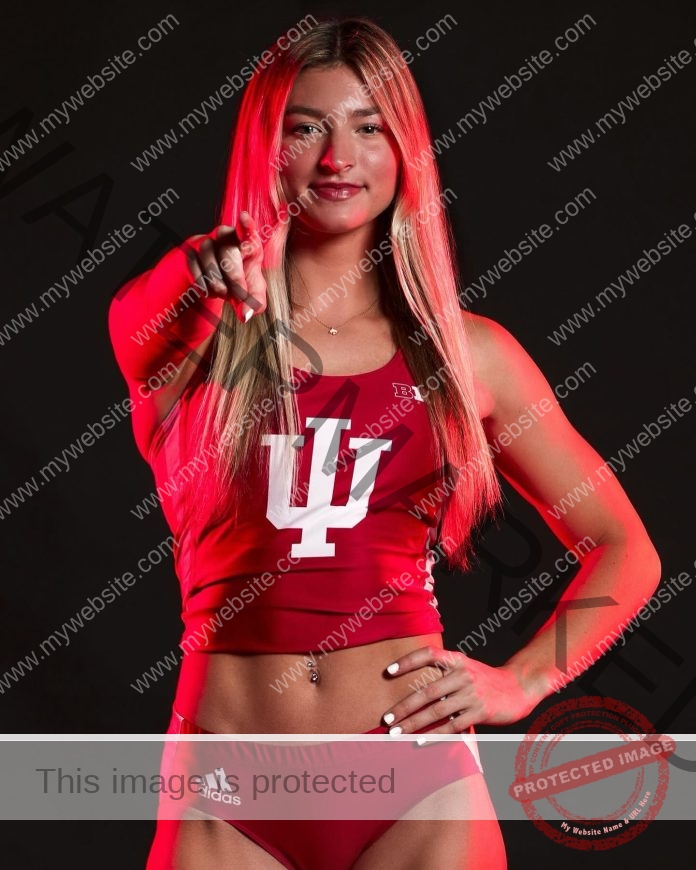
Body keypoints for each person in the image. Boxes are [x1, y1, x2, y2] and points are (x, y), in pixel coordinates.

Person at [108, 16, 661, 869]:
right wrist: (196, 268)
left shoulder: (468, 354)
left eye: (369, 128)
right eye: (305, 127)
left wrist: (520, 684)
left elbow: (625, 549)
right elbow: (145, 313)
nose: (339, 158)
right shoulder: (195, 336)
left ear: (405, 152)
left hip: (417, 789)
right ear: (266, 148)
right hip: (227, 797)